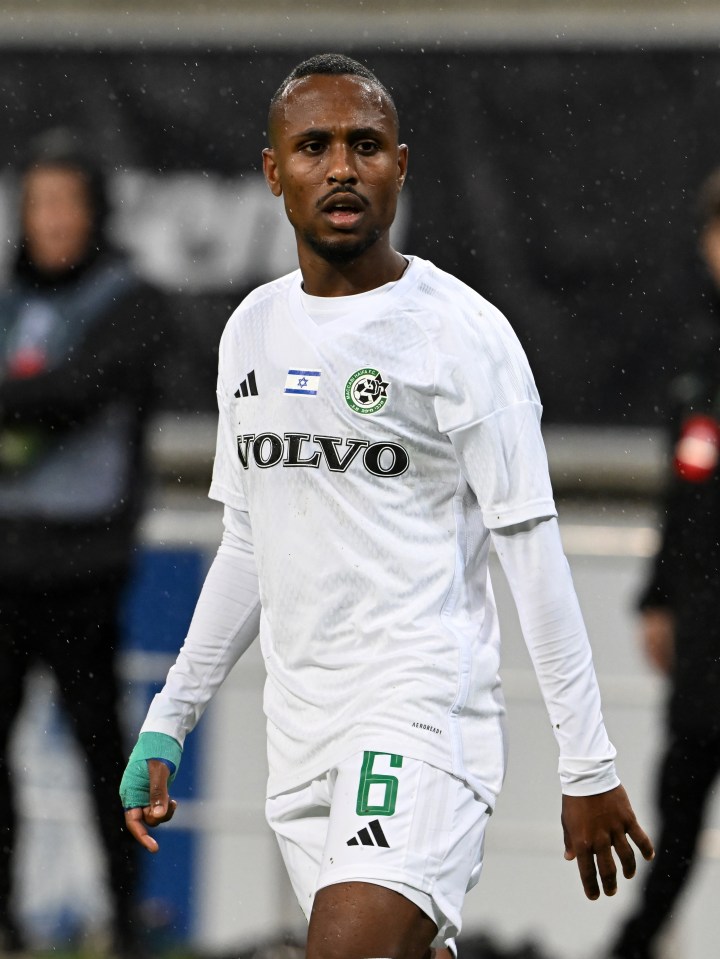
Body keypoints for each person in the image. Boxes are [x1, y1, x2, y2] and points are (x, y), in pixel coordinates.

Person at [120, 54, 654, 959]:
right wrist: (171, 714)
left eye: (364, 145)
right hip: (298, 734)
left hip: (416, 716)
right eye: (314, 146)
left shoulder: (462, 335)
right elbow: (250, 541)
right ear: (271, 172)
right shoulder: (249, 330)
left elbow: (531, 551)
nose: (340, 167)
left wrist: (589, 761)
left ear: (400, 168)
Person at [0, 128, 174, 956]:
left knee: (104, 752)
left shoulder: (131, 303)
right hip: (3, 566)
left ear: (95, 211)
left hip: (84, 573)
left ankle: (126, 922)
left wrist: (24, 401)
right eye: (39, 203)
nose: (52, 219)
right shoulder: (9, 298)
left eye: (67, 203)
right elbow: (46, 398)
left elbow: (75, 392)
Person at [607, 169, 720, 959]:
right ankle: (635, 945)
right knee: (677, 808)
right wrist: (658, 599)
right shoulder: (701, 363)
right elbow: (683, 501)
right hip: (708, 640)